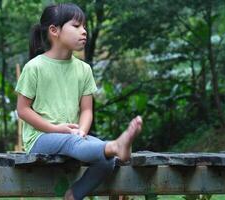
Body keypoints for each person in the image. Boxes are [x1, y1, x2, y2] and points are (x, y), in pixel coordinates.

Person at [15, 3, 143, 200]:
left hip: (73, 136)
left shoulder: (84, 69)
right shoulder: (34, 67)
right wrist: (57, 129)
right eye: (76, 26)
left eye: (84, 27)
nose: (84, 32)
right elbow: (23, 110)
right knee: (88, 145)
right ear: (54, 31)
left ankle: (74, 195)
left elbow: (86, 110)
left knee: (106, 160)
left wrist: (82, 131)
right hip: (40, 138)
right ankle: (116, 145)